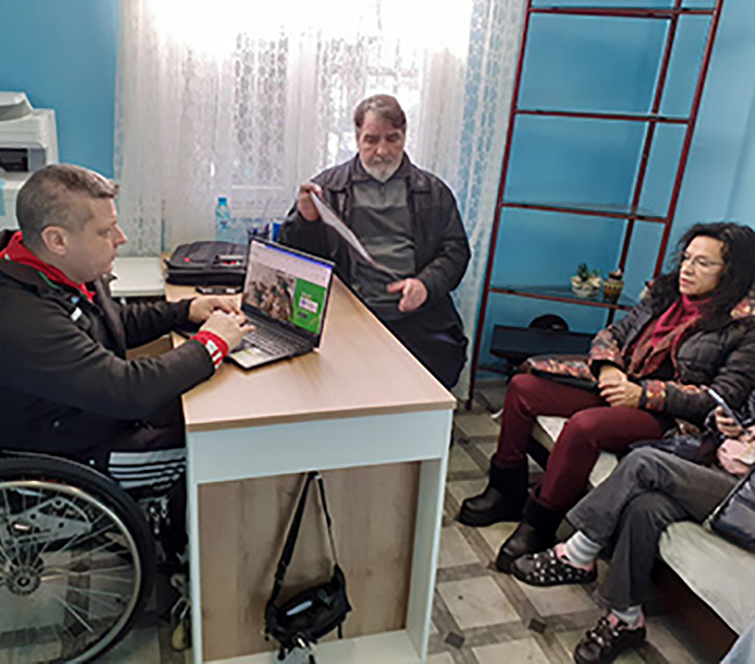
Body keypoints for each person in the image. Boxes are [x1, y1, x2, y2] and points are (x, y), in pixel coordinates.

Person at [0, 164, 251, 498]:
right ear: (57, 240)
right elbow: (130, 391)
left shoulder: (46, 271)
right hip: (71, 461)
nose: (120, 238)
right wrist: (213, 343)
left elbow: (111, 321)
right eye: (106, 231)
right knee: (220, 447)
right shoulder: (15, 319)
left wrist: (185, 310)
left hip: (86, 415)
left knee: (200, 406)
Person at [458, 222, 755, 572]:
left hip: (670, 418)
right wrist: (609, 368)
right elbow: (612, 333)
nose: (687, 269)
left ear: (732, 272)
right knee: (524, 388)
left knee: (586, 426)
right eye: (687, 258)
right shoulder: (665, 295)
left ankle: (539, 523)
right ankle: (505, 491)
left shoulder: (743, 327)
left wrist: (642, 394)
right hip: (620, 385)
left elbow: (721, 398)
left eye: (703, 263)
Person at [509, 392, 755, 664]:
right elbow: (736, 411)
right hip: (721, 470)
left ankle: (579, 553)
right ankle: (626, 618)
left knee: (644, 463)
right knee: (645, 507)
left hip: (745, 500)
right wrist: (724, 422)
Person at [279, 94, 470, 389]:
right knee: (327, 382)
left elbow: (456, 251)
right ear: (357, 139)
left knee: (430, 377)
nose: (382, 151)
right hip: (348, 313)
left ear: (404, 136)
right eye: (371, 140)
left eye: (392, 139)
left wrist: (425, 285)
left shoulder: (433, 191)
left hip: (415, 315)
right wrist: (306, 220)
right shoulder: (328, 188)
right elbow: (293, 259)